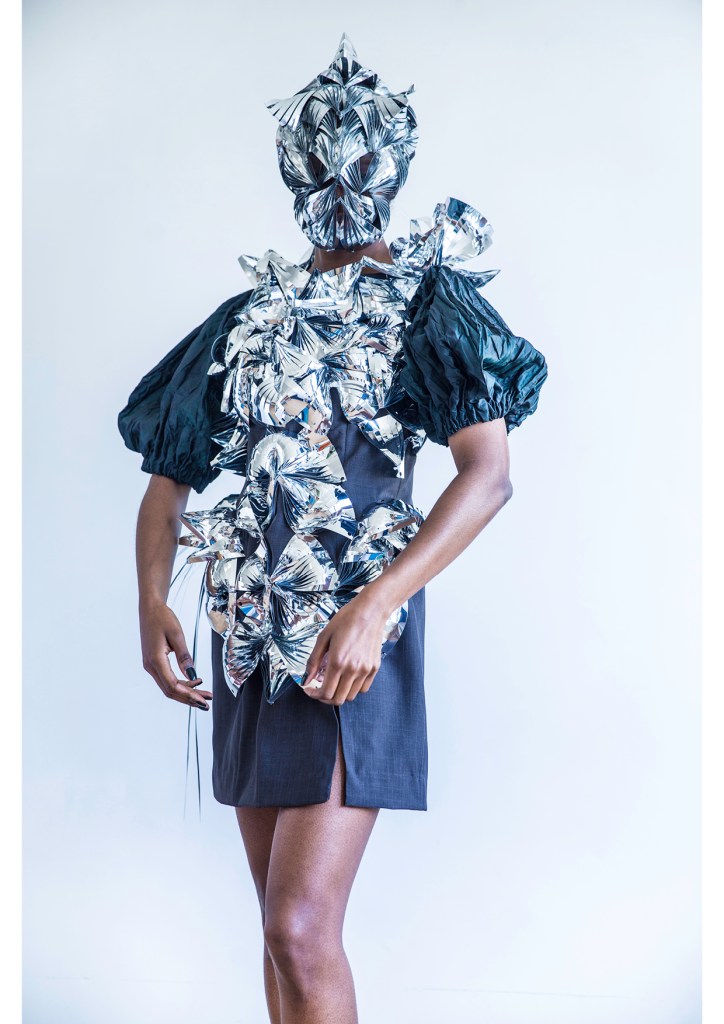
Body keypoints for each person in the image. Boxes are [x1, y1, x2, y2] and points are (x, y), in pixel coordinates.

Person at [118, 33, 548, 1024]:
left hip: (353, 638)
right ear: (290, 165)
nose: (338, 178)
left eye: (359, 158)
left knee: (300, 925)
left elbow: (487, 478)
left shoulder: (429, 306)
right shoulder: (248, 319)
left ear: (393, 165)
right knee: (280, 937)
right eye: (319, 156)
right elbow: (167, 481)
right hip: (249, 643)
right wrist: (150, 602)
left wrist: (376, 605)